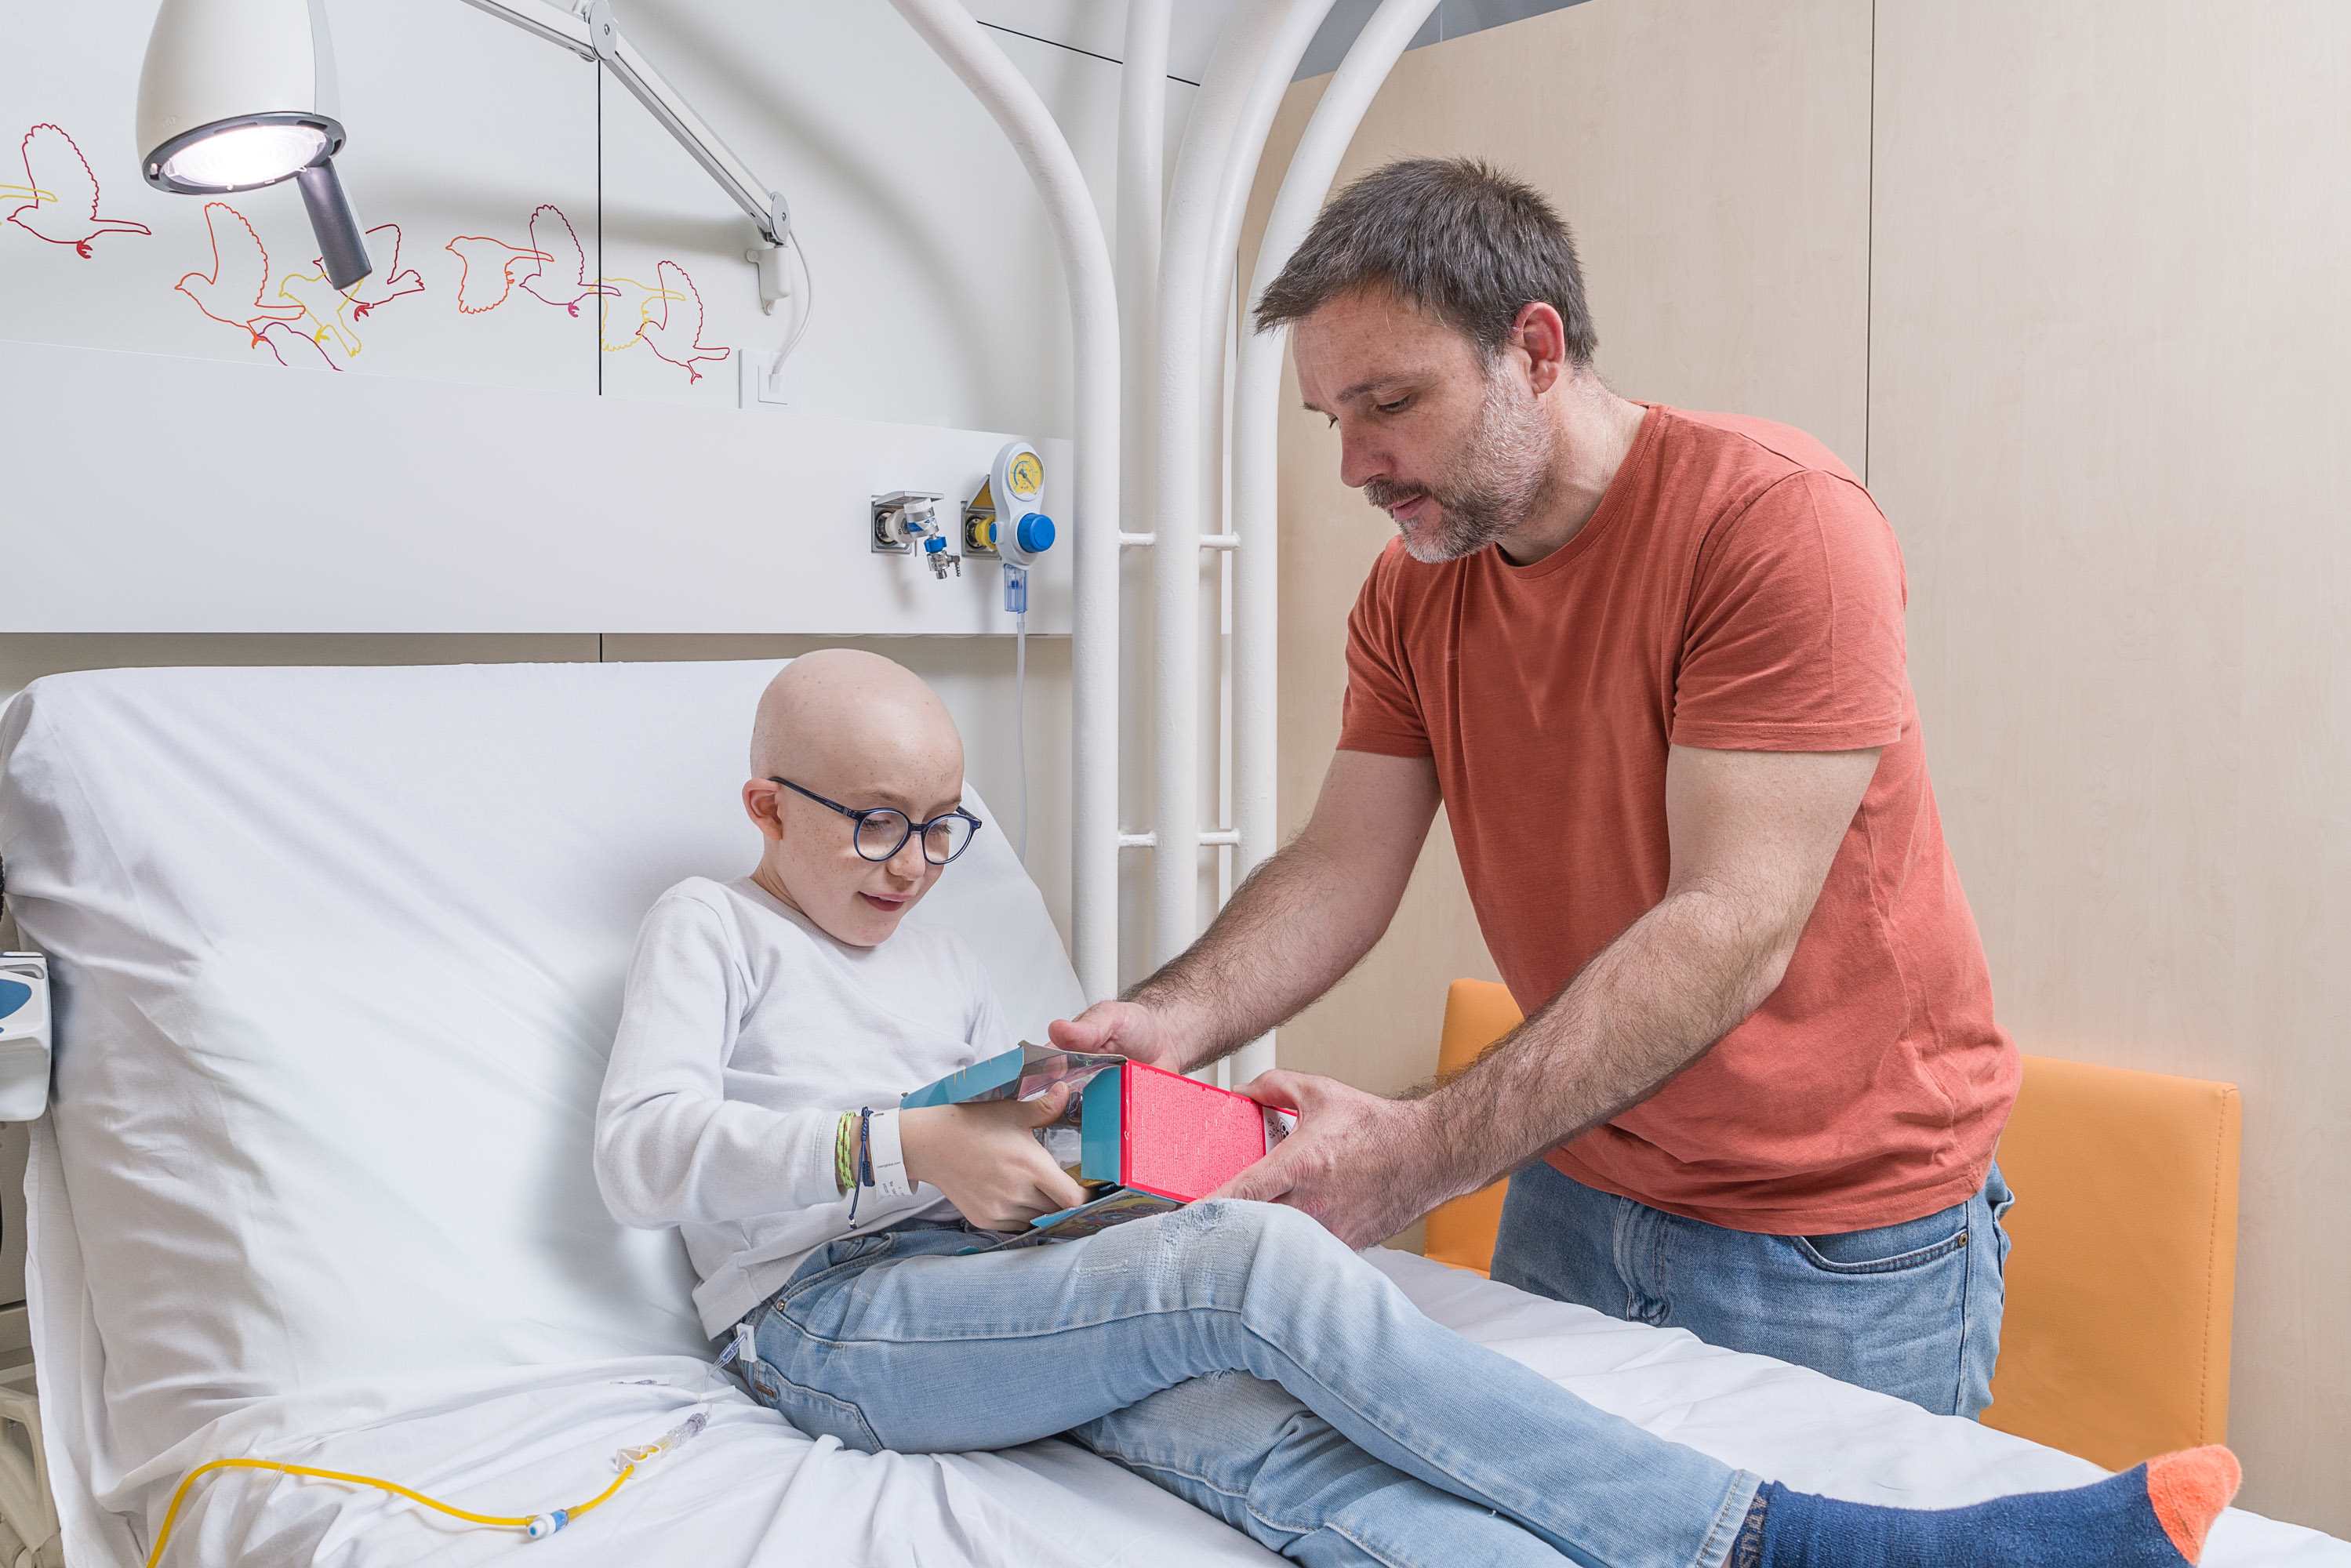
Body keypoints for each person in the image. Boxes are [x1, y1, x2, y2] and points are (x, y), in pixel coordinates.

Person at [592, 649, 2237, 1568]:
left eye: (945, 827)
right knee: (1257, 1279)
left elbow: (979, 1149)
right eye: (875, 825)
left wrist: (1094, 1139)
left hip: (984, 1296)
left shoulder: (934, 933)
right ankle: (1806, 1551)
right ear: (764, 806)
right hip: (822, 1323)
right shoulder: (712, 928)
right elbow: (641, 1153)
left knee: (1288, 1458)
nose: (910, 864)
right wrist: (906, 1147)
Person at [1052, 156, 2022, 1419]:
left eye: (1389, 402)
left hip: (1828, 1230)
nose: (1356, 464)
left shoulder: (1772, 524)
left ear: (1536, 348)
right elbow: (1343, 864)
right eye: (1331, 420)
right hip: (1572, 1171)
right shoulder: (1413, 589)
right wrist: (1175, 1020)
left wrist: (1416, 1155)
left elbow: (1731, 924)